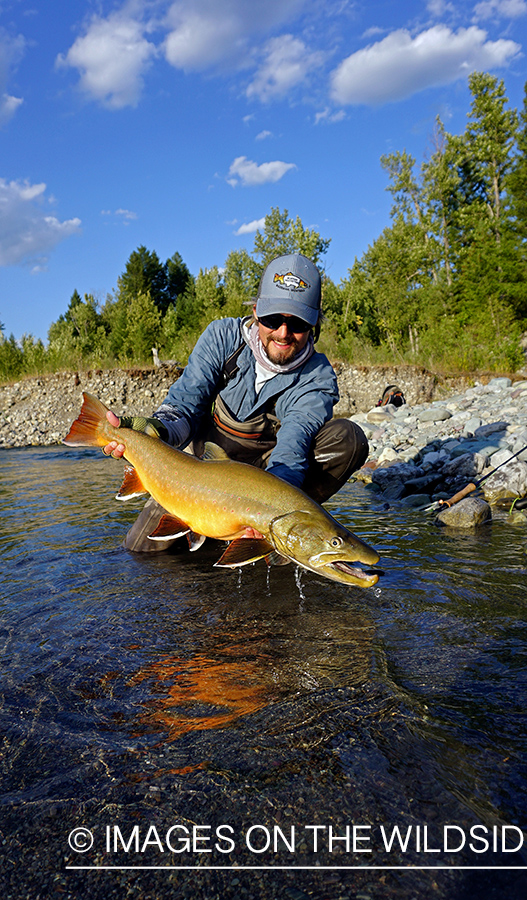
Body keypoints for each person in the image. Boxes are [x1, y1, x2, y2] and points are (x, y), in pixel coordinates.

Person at [103, 253, 369, 551]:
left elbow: (292, 451)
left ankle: (286, 541)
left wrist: (268, 516)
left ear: (314, 324)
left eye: (297, 323)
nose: (283, 333)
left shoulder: (317, 378)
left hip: (269, 478)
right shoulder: (223, 339)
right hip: (198, 476)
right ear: (256, 312)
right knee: (141, 552)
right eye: (273, 319)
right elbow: (184, 407)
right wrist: (154, 430)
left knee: (348, 439)